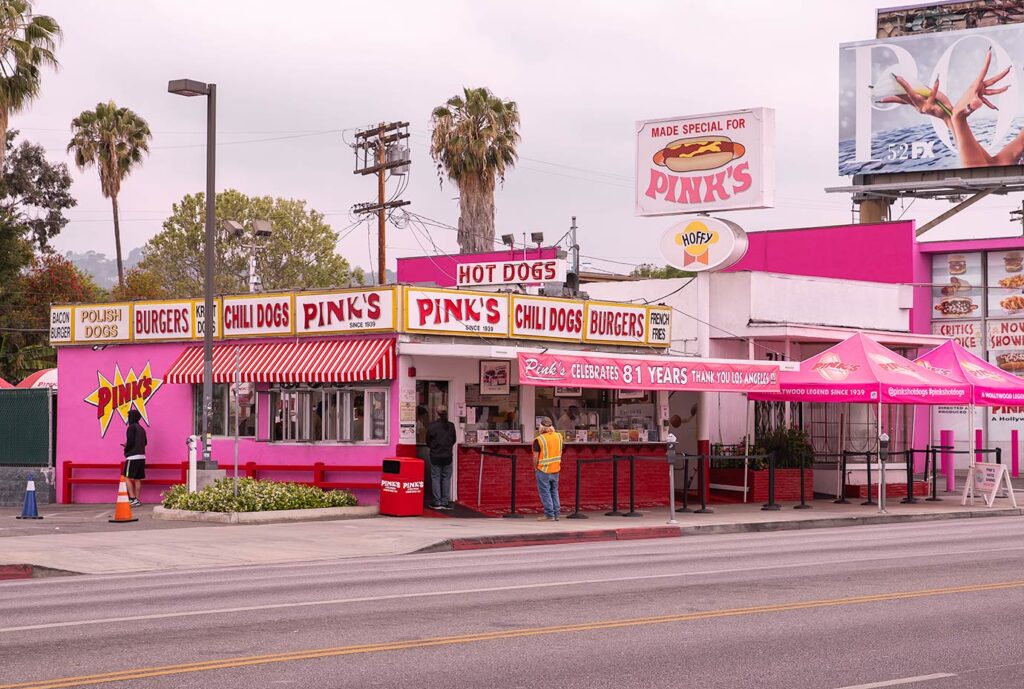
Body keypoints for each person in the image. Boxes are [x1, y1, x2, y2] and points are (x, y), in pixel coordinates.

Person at [426, 406, 457, 510]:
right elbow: (454, 440)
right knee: (446, 478)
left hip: (435, 456)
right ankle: (445, 501)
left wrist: (434, 448)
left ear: (437, 413)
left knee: (436, 478)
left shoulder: (432, 426)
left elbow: (428, 441)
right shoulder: (451, 426)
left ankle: (437, 501)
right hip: (447, 456)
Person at [533, 417, 563, 521]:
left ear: (540, 427)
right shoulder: (559, 436)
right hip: (556, 469)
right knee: (554, 491)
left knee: (545, 492)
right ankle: (557, 513)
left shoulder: (539, 439)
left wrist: (535, 467)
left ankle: (549, 514)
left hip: (543, 470)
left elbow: (535, 456)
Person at [122, 409, 147, 507]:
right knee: (138, 479)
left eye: (129, 417)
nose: (128, 419)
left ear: (131, 418)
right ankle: (137, 499)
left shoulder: (131, 428)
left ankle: (132, 498)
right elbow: (145, 442)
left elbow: (131, 441)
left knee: (126, 477)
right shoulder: (142, 428)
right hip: (142, 456)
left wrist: (126, 449)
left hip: (132, 456)